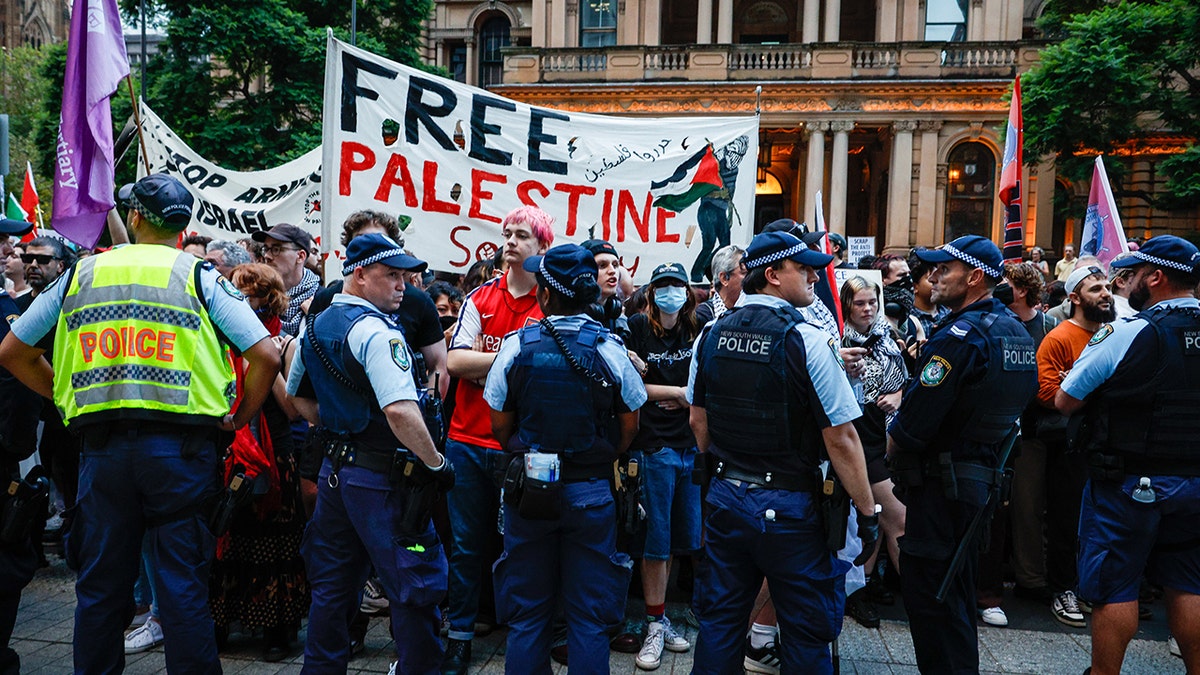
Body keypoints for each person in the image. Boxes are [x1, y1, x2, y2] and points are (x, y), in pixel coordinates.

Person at [0, 173, 279, 674]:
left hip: (103, 454)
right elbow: (265, 355)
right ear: (183, 225)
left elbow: (13, 351)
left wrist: (65, 398)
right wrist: (239, 419)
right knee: (182, 590)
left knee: (102, 590)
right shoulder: (199, 276)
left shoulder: (82, 274)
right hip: (183, 456)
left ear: (133, 217)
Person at [689, 231, 878, 674]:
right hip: (791, 509)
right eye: (804, 267)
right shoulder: (808, 340)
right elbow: (842, 437)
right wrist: (868, 513)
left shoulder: (711, 334)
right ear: (772, 275)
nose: (815, 274)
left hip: (726, 498)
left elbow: (698, 421)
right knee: (806, 631)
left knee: (719, 624)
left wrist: (725, 468)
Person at [286, 233, 453, 674]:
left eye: (405, 276)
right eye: (392, 275)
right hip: (382, 481)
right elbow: (400, 411)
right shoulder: (377, 332)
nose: (403, 285)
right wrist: (435, 463)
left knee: (332, 590)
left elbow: (296, 396)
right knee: (413, 587)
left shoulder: (317, 325)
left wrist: (338, 425)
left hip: (335, 473)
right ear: (359, 275)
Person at [484, 243, 646, 674]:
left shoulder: (515, 346)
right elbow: (630, 423)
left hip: (529, 492)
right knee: (589, 621)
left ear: (546, 295)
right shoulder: (610, 348)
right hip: (591, 492)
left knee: (528, 618)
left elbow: (499, 425)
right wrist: (602, 456)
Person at [887, 235, 1037, 674]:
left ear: (974, 278)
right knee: (954, 599)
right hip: (979, 482)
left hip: (943, 486)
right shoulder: (1013, 329)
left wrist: (894, 436)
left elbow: (912, 427)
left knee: (934, 601)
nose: (932, 277)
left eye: (944, 269)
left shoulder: (959, 337)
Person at [1054, 235, 1200, 675]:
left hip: (1128, 485)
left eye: (1132, 274)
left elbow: (1065, 400)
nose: (1124, 282)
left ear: (1154, 278)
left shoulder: (1129, 331)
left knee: (1115, 586)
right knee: (1189, 582)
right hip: (1195, 483)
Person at [443, 205, 553, 673]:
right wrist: (516, 360)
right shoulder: (480, 299)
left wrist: (487, 361)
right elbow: (454, 363)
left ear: (542, 247)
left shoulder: (551, 302)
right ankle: (460, 638)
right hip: (467, 442)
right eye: (507, 233)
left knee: (523, 547)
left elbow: (551, 370)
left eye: (521, 235)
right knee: (467, 547)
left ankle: (524, 640)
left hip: (521, 447)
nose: (509, 241)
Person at [209, 262, 310, 662]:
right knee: (228, 541)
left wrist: (265, 364)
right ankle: (222, 624)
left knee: (274, 545)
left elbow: (292, 410)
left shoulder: (285, 344)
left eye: (248, 294)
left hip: (275, 456)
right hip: (232, 454)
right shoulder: (220, 342)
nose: (241, 302)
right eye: (237, 293)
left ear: (267, 299)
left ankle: (276, 631)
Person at [1027, 264, 1113, 630]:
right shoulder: (1059, 338)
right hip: (1067, 445)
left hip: (1106, 444)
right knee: (1065, 519)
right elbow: (1048, 394)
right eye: (1096, 289)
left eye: (1107, 287)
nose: (1106, 294)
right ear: (1075, 298)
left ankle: (1090, 587)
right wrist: (1093, 391)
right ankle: (1063, 589)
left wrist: (1077, 386)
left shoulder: (1114, 334)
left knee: (1099, 521)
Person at [626, 262, 702, 670]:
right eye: (663, 285)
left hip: (690, 447)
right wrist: (677, 391)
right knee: (655, 542)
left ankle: (663, 617)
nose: (671, 291)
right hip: (653, 448)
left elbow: (705, 380)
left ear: (687, 292)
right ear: (652, 291)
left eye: (677, 284)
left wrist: (684, 395)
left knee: (679, 540)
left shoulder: (698, 326)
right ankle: (654, 623)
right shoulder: (637, 327)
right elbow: (632, 384)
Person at [838, 275, 908, 629]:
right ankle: (920, 597)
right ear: (846, 306)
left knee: (876, 523)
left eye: (872, 302)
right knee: (895, 517)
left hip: (887, 437)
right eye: (860, 303)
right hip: (858, 438)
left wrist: (896, 396)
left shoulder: (887, 338)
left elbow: (903, 380)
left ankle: (861, 590)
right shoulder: (836, 341)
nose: (868, 310)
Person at [253, 223, 319, 336]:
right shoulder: (257, 297)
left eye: (276, 249)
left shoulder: (322, 300)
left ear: (300, 256)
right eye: (266, 249)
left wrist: (317, 321)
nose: (267, 256)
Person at [695, 244, 744, 325]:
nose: (750, 278)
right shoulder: (703, 316)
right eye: (744, 272)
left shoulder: (754, 312)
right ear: (724, 278)